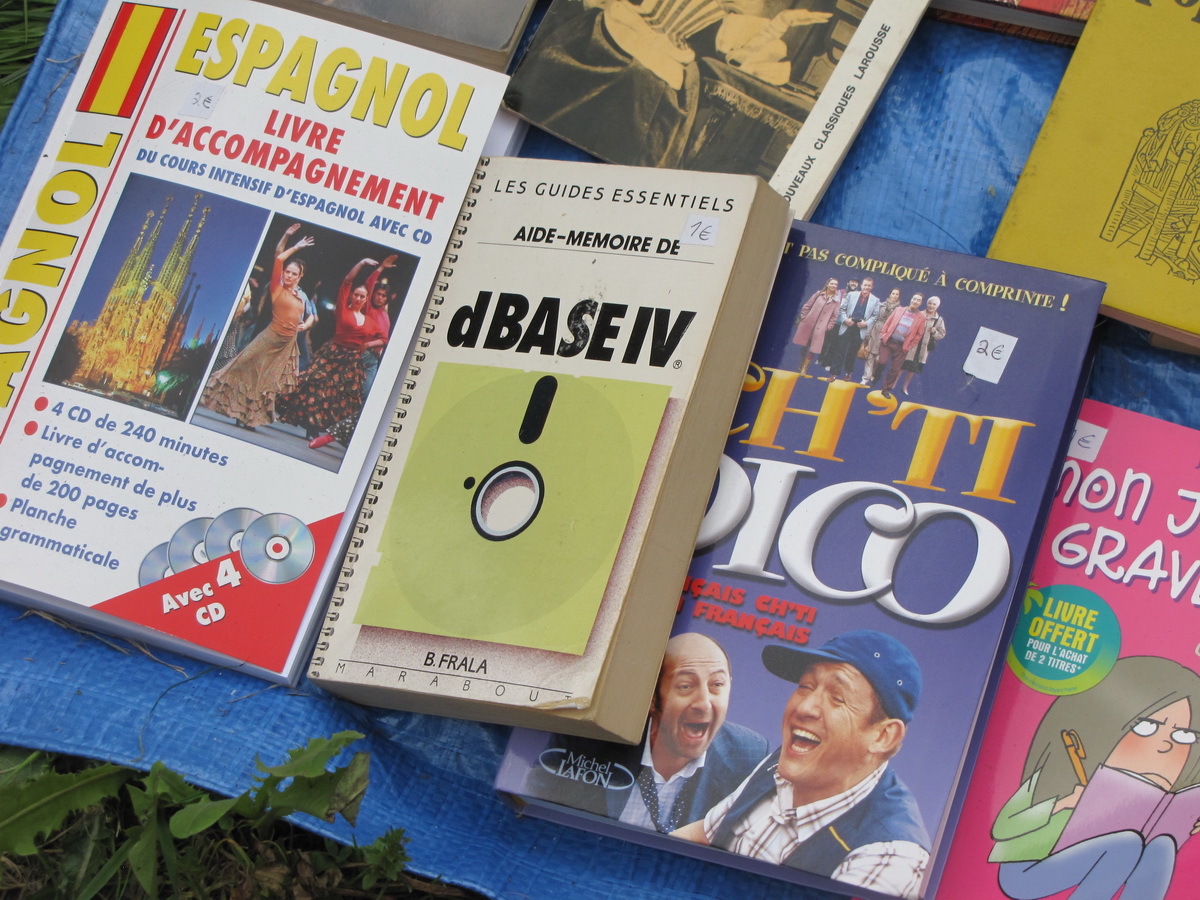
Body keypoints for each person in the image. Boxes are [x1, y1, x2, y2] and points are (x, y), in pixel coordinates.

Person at [674, 630, 929, 900]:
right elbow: (704, 833)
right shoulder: (788, 761)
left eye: (837, 698)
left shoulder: (890, 857)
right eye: (805, 686)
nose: (805, 707)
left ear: (883, 736)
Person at [990, 656, 1200, 900]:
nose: (1165, 745)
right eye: (1147, 727)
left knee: (1162, 846)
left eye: (1183, 735)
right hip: (1026, 868)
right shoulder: (1051, 781)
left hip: (1093, 857)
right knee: (1127, 843)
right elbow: (1002, 828)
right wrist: (1064, 803)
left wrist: (1185, 823)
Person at [524, 632, 768, 832]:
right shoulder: (589, 734)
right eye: (685, 686)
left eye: (717, 685)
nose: (704, 703)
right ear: (651, 697)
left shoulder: (750, 755)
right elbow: (537, 806)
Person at [201, 223, 314, 428]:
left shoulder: (302, 296)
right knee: (243, 366)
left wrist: (304, 325)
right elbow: (279, 258)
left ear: (300, 277)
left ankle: (250, 418)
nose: (288, 275)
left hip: (286, 344)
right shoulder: (277, 288)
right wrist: (291, 241)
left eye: (293, 274)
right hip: (270, 337)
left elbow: (311, 316)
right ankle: (222, 400)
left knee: (266, 381)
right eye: (287, 272)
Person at [278, 256, 395, 444]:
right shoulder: (343, 309)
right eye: (356, 295)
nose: (358, 298)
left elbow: (384, 338)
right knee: (314, 384)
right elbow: (348, 281)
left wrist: (368, 345)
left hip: (352, 361)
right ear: (352, 296)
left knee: (339, 397)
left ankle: (320, 428)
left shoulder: (371, 321)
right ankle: (300, 416)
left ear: (366, 299)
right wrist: (362, 263)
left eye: (362, 296)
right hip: (334, 354)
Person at [876, 292, 928, 395]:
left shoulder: (921, 318)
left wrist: (910, 346)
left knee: (895, 369)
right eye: (914, 299)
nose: (915, 301)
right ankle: (876, 375)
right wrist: (883, 334)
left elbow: (919, 334)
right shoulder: (898, 310)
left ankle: (886, 389)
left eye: (918, 300)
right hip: (888, 342)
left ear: (921, 303)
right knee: (882, 362)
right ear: (911, 299)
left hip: (902, 347)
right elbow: (888, 322)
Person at [828, 276, 878, 381]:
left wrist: (866, 323)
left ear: (872, 287)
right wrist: (845, 319)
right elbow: (842, 309)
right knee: (840, 350)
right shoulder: (851, 295)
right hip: (847, 325)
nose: (866, 287)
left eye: (869, 286)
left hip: (860, 328)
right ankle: (834, 374)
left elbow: (875, 316)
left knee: (852, 352)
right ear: (861, 285)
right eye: (865, 285)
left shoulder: (875, 300)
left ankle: (848, 373)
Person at [791, 277, 841, 376]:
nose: (834, 285)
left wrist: (827, 327)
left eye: (836, 284)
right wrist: (804, 317)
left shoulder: (836, 300)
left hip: (820, 328)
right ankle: (801, 362)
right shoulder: (818, 294)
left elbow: (834, 316)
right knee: (804, 345)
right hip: (808, 324)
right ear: (827, 284)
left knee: (813, 348)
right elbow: (807, 306)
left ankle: (805, 368)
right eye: (832, 283)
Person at [899, 295, 945, 395]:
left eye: (934, 304)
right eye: (930, 303)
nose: (931, 306)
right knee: (902, 366)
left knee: (913, 369)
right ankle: (892, 384)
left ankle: (905, 387)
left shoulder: (939, 319)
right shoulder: (918, 314)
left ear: (937, 306)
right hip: (912, 344)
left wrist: (934, 332)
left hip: (923, 348)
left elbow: (941, 334)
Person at [860, 287, 900, 385]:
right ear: (890, 294)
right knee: (870, 355)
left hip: (887, 333)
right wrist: (868, 333)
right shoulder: (881, 305)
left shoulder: (899, 310)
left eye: (897, 294)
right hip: (875, 330)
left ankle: (874, 374)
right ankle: (866, 377)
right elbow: (874, 318)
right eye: (893, 293)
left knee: (879, 358)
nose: (894, 296)